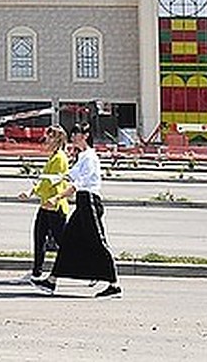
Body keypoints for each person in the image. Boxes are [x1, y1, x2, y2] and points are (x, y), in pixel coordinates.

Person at [36, 121, 122, 298]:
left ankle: (114, 285)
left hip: (89, 201)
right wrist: (47, 180)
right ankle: (51, 280)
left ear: (86, 136)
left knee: (97, 241)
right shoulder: (82, 157)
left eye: (76, 134)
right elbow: (69, 175)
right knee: (68, 240)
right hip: (82, 203)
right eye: (73, 134)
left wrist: (57, 197)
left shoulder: (90, 157)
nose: (73, 137)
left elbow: (79, 183)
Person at [17, 125, 69, 282]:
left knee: (63, 244)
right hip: (45, 205)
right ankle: (36, 272)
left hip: (55, 206)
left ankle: (90, 270)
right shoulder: (53, 157)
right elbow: (43, 180)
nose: (46, 140)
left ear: (58, 139)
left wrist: (33, 192)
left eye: (50, 137)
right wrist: (31, 192)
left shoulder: (60, 158)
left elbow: (50, 182)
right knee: (39, 237)